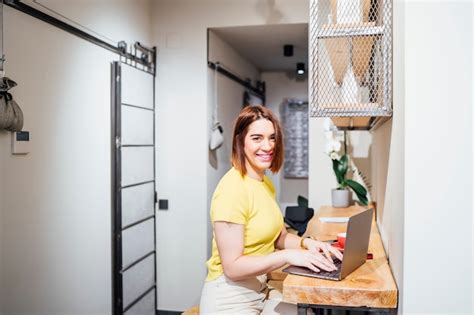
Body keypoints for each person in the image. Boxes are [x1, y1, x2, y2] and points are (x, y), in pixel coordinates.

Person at [199, 105, 343, 314]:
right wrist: (287, 256)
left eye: (272, 138)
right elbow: (233, 267)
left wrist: (308, 243)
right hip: (230, 297)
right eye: (257, 138)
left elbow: (278, 236)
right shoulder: (232, 190)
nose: (267, 146)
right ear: (240, 141)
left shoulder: (264, 183)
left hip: (260, 289)